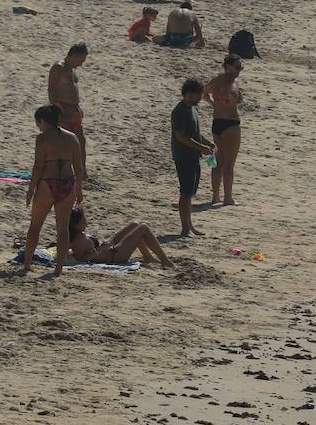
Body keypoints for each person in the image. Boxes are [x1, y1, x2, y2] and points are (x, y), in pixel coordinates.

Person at [23, 104, 85, 275]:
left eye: (38, 123)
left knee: (35, 226)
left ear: (43, 121)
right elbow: (78, 167)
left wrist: (31, 190)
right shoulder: (72, 138)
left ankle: (27, 264)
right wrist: (79, 189)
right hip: (67, 182)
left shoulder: (42, 139)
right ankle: (58, 268)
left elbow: (38, 167)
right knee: (62, 229)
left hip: (47, 183)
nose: (38, 126)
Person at [172, 78, 214, 236]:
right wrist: (201, 147)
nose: (200, 99)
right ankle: (185, 228)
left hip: (193, 156)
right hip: (184, 156)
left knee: (190, 193)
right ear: (190, 94)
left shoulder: (192, 109)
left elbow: (194, 133)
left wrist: (207, 143)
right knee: (186, 193)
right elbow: (181, 136)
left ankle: (189, 225)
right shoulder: (180, 110)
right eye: (199, 95)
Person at [67, 207, 173, 267]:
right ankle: (165, 261)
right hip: (114, 257)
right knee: (143, 228)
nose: (86, 223)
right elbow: (81, 259)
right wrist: (100, 249)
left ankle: (148, 257)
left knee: (135, 225)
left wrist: (102, 247)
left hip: (108, 250)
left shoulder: (78, 235)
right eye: (83, 221)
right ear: (76, 225)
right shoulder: (79, 239)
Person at [205, 54, 243, 206]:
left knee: (216, 162)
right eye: (237, 67)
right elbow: (233, 95)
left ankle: (215, 196)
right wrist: (236, 99)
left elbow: (204, 92)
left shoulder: (216, 80)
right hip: (231, 123)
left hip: (217, 122)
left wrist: (213, 103)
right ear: (228, 67)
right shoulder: (233, 83)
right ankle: (228, 198)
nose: (239, 71)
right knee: (229, 164)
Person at [48, 43, 89, 172]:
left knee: (80, 141)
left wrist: (78, 107)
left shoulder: (71, 70)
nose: (81, 64)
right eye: (81, 60)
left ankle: (82, 170)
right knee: (63, 141)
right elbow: (51, 89)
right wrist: (56, 107)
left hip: (74, 109)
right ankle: (60, 170)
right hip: (62, 108)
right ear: (74, 56)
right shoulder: (58, 67)